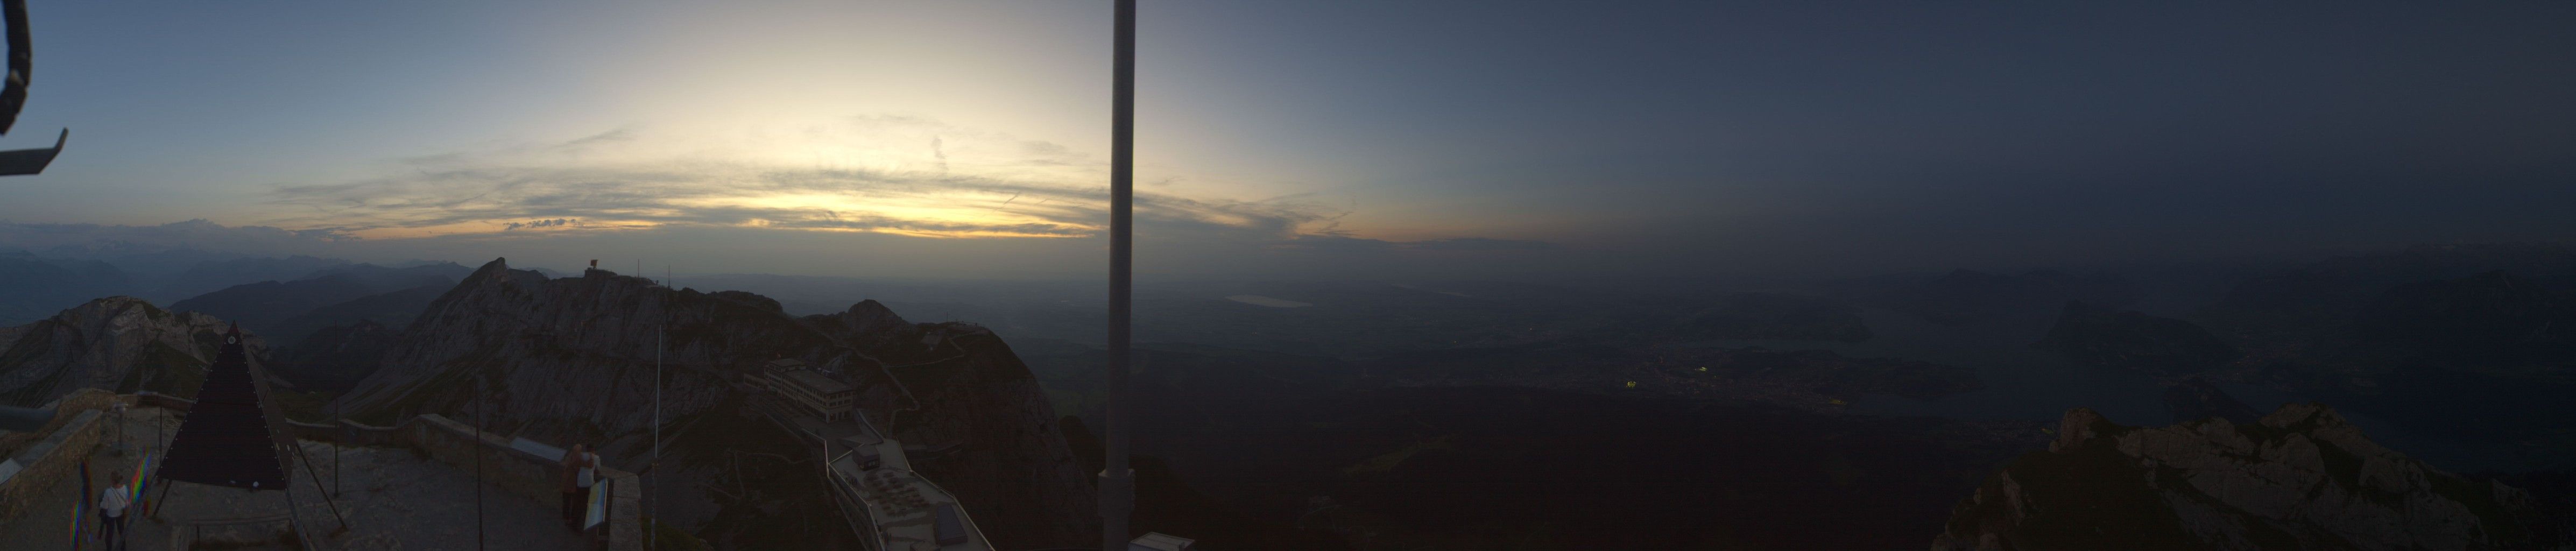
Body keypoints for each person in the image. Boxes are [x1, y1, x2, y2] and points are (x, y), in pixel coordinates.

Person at [560, 443, 599, 529]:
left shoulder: (570, 458)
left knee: (567, 501)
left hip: (566, 482)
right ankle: (572, 521)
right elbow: (590, 466)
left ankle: (567, 518)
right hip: (572, 484)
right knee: (576, 502)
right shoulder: (578, 460)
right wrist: (592, 457)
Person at [98, 470, 131, 551]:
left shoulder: (108, 492)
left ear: (113, 481)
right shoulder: (125, 489)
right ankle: (123, 548)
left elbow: (104, 506)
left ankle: (109, 549)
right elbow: (127, 502)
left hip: (111, 516)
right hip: (121, 514)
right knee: (122, 532)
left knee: (109, 535)